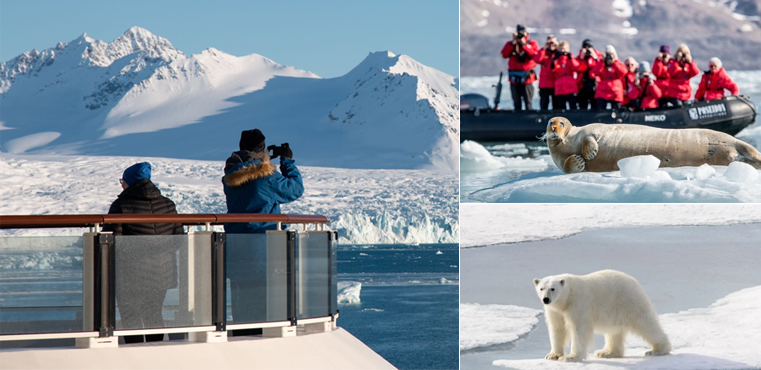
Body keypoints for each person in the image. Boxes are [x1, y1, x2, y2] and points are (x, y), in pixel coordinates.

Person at [222, 129, 303, 329]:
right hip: (263, 249)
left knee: (241, 302)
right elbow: (295, 189)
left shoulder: (230, 177)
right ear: (262, 149)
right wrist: (287, 162)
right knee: (263, 305)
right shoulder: (266, 176)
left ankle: (242, 338)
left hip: (236, 247)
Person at [104, 162, 184, 344]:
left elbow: (111, 241)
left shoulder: (121, 205)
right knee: (154, 313)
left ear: (130, 182)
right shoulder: (167, 204)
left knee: (131, 316)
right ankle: (156, 353)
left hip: (130, 274)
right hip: (161, 274)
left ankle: (135, 355)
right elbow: (178, 239)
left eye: (122, 181)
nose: (121, 185)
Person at [500, 24, 539, 111]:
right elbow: (504, 54)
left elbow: (534, 55)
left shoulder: (532, 43)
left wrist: (524, 44)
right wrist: (513, 43)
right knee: (516, 101)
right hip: (514, 78)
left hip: (527, 78)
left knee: (528, 101)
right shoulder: (511, 44)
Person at [592, 45, 627, 109]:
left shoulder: (618, 64)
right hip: (602, 91)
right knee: (600, 109)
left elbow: (623, 72)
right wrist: (602, 61)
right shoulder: (602, 65)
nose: (609, 57)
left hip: (615, 92)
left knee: (616, 111)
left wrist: (614, 62)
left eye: (611, 54)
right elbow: (595, 72)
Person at [550, 41, 579, 110]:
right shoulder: (556, 59)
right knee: (561, 107)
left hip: (571, 87)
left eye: (564, 49)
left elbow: (576, 68)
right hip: (560, 87)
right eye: (561, 49)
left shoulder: (570, 59)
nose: (563, 51)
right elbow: (552, 70)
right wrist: (555, 59)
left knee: (573, 106)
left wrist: (570, 57)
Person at [534, 35, 558, 110]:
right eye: (549, 43)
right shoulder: (543, 53)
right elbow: (537, 60)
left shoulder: (558, 53)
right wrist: (544, 48)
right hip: (545, 83)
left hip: (555, 83)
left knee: (556, 105)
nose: (551, 45)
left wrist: (557, 46)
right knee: (544, 104)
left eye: (552, 43)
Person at [576, 39, 601, 110]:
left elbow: (601, 68)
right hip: (582, 85)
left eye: (589, 47)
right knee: (582, 105)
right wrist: (581, 58)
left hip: (594, 84)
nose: (587, 49)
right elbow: (577, 68)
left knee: (595, 105)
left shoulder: (599, 56)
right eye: (585, 47)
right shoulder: (579, 58)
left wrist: (595, 58)